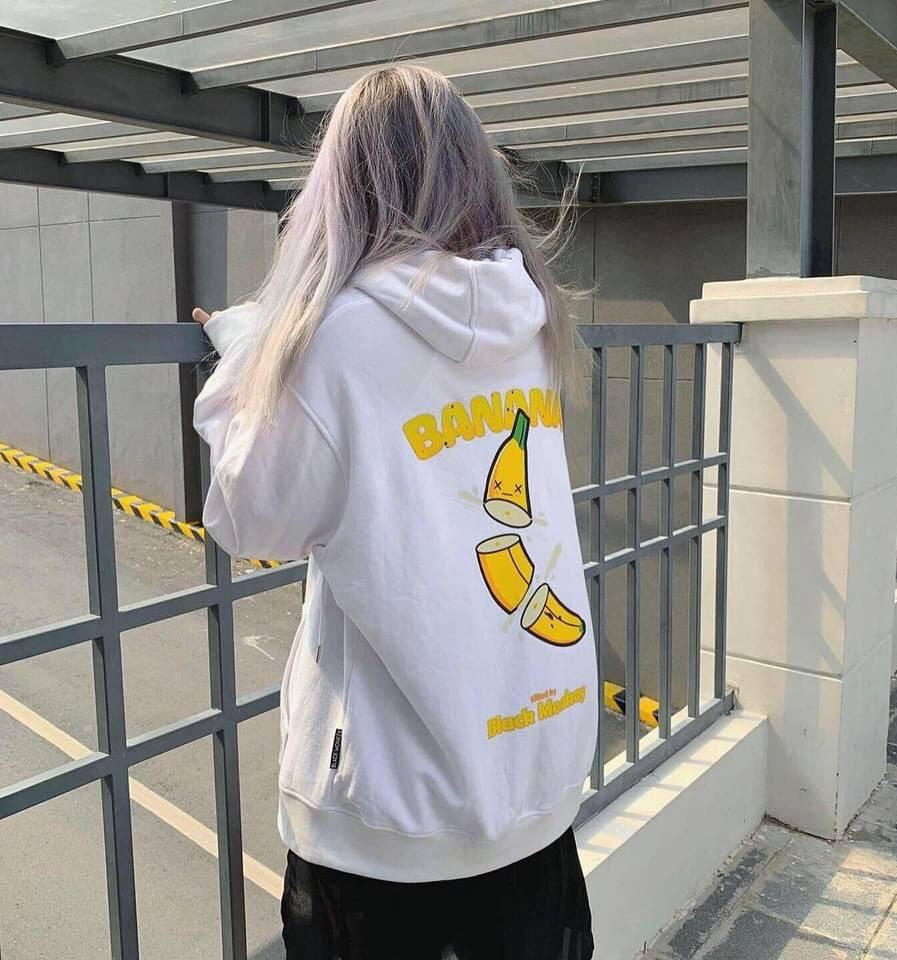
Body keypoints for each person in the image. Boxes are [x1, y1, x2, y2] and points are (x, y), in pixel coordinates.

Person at [192, 63, 597, 960]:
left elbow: (250, 519)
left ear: (344, 185)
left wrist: (249, 356)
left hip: (388, 828)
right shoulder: (533, 320)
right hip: (532, 790)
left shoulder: (334, 343)